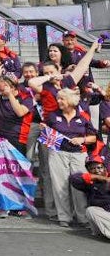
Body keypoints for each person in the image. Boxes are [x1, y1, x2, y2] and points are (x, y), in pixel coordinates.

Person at [45, 87, 99, 227]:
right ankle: (64, 217)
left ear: (70, 100)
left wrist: (82, 140)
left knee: (79, 186)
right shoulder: (52, 116)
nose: (59, 101)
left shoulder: (83, 117)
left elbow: (93, 137)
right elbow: (46, 133)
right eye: (58, 98)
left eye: (62, 98)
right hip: (58, 153)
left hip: (78, 154)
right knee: (59, 185)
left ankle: (83, 218)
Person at [69, 159, 110, 240]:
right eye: (93, 169)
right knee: (91, 210)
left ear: (105, 168)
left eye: (99, 167)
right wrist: (101, 178)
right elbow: (74, 178)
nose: (97, 170)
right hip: (103, 216)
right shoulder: (90, 184)